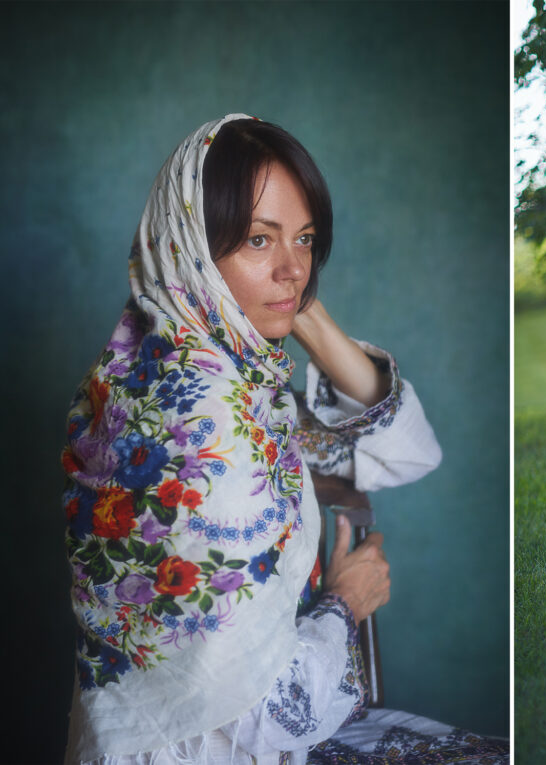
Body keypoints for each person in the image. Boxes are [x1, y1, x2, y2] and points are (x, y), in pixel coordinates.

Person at [62, 115, 508, 763]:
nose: (292, 269)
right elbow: (275, 714)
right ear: (191, 248)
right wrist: (345, 602)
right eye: (255, 240)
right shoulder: (205, 418)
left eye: (303, 239)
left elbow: (410, 452)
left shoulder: (165, 378)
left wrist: (313, 322)